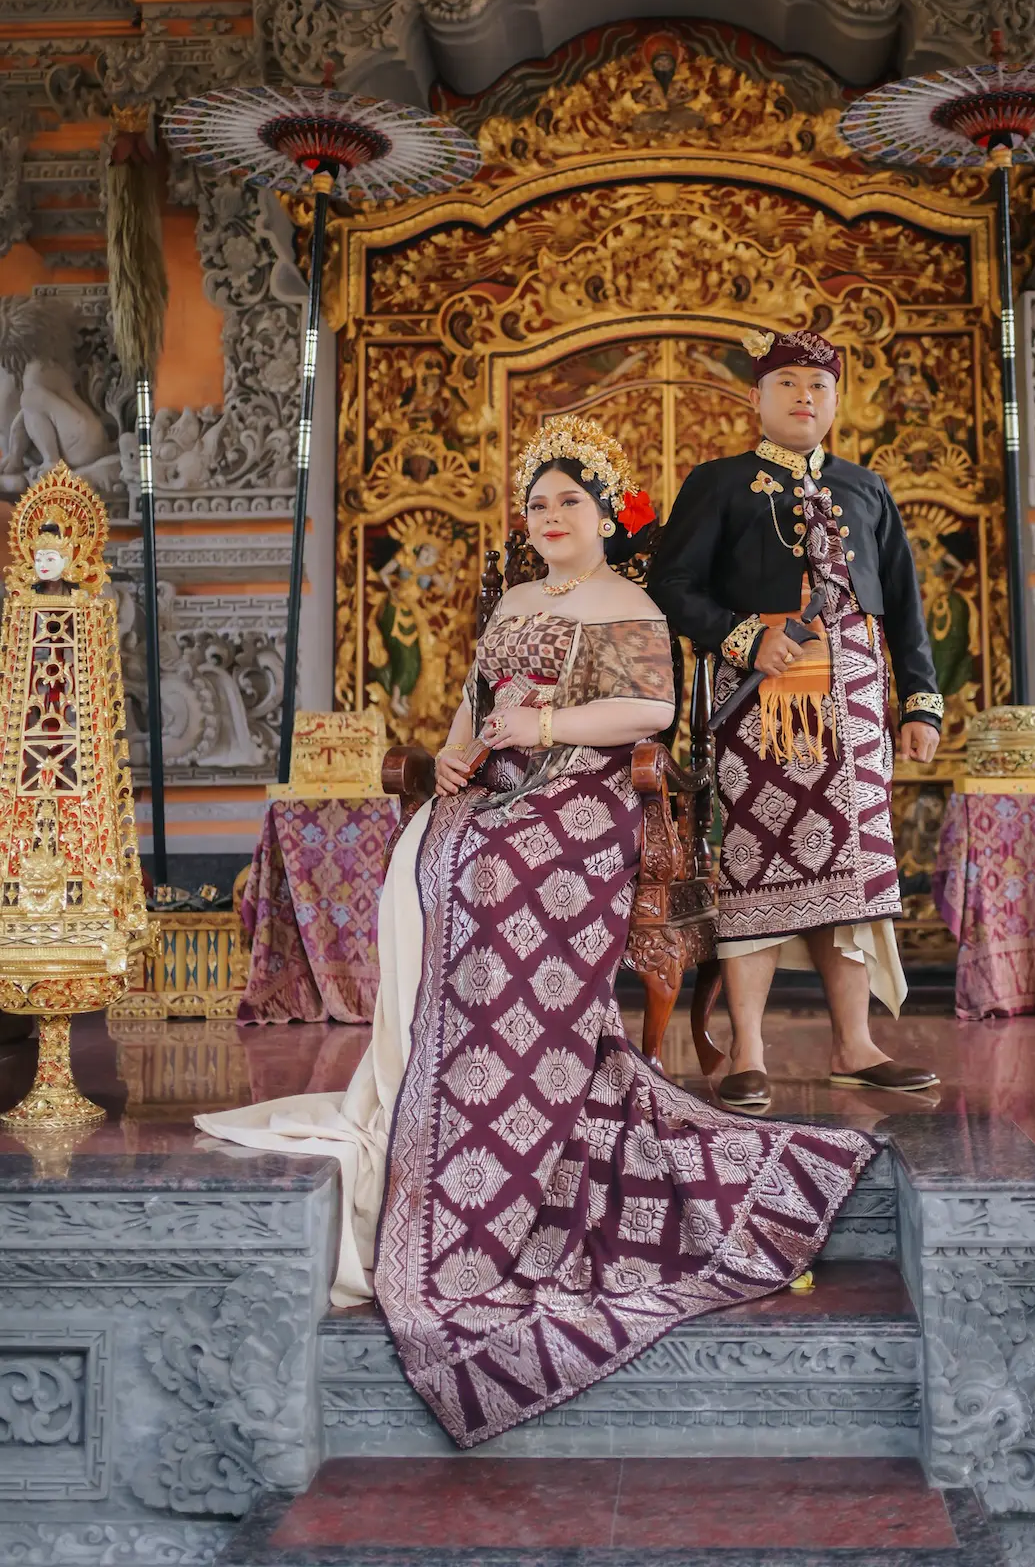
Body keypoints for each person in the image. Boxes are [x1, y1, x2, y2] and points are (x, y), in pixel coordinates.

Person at [197, 415, 877, 1449]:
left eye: (569, 502)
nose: (551, 517)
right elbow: (476, 706)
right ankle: (447, 1063)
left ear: (605, 516)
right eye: (537, 505)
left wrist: (546, 728)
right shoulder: (516, 601)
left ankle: (507, 1072)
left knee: (494, 865)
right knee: (429, 852)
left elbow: (649, 715)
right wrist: (457, 753)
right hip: (503, 785)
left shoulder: (628, 603)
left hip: (586, 796)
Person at [647, 328, 943, 1112]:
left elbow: (905, 604)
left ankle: (855, 1045)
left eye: (818, 386)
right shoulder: (717, 483)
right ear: (757, 397)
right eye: (787, 384)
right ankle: (747, 1050)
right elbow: (671, 586)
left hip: (856, 708)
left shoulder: (865, 488)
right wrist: (743, 637)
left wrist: (919, 702)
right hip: (759, 707)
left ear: (836, 401)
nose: (804, 397)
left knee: (856, 872)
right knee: (756, 867)